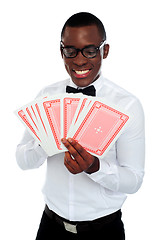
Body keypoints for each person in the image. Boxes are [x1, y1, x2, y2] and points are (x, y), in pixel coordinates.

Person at [16, 12, 145, 240]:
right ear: (61, 51)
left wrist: (95, 167)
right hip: (50, 228)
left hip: (104, 232)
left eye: (90, 50)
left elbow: (133, 180)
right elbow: (22, 161)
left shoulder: (128, 105)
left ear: (104, 51)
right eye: (71, 51)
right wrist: (46, 144)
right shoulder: (47, 96)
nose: (79, 60)